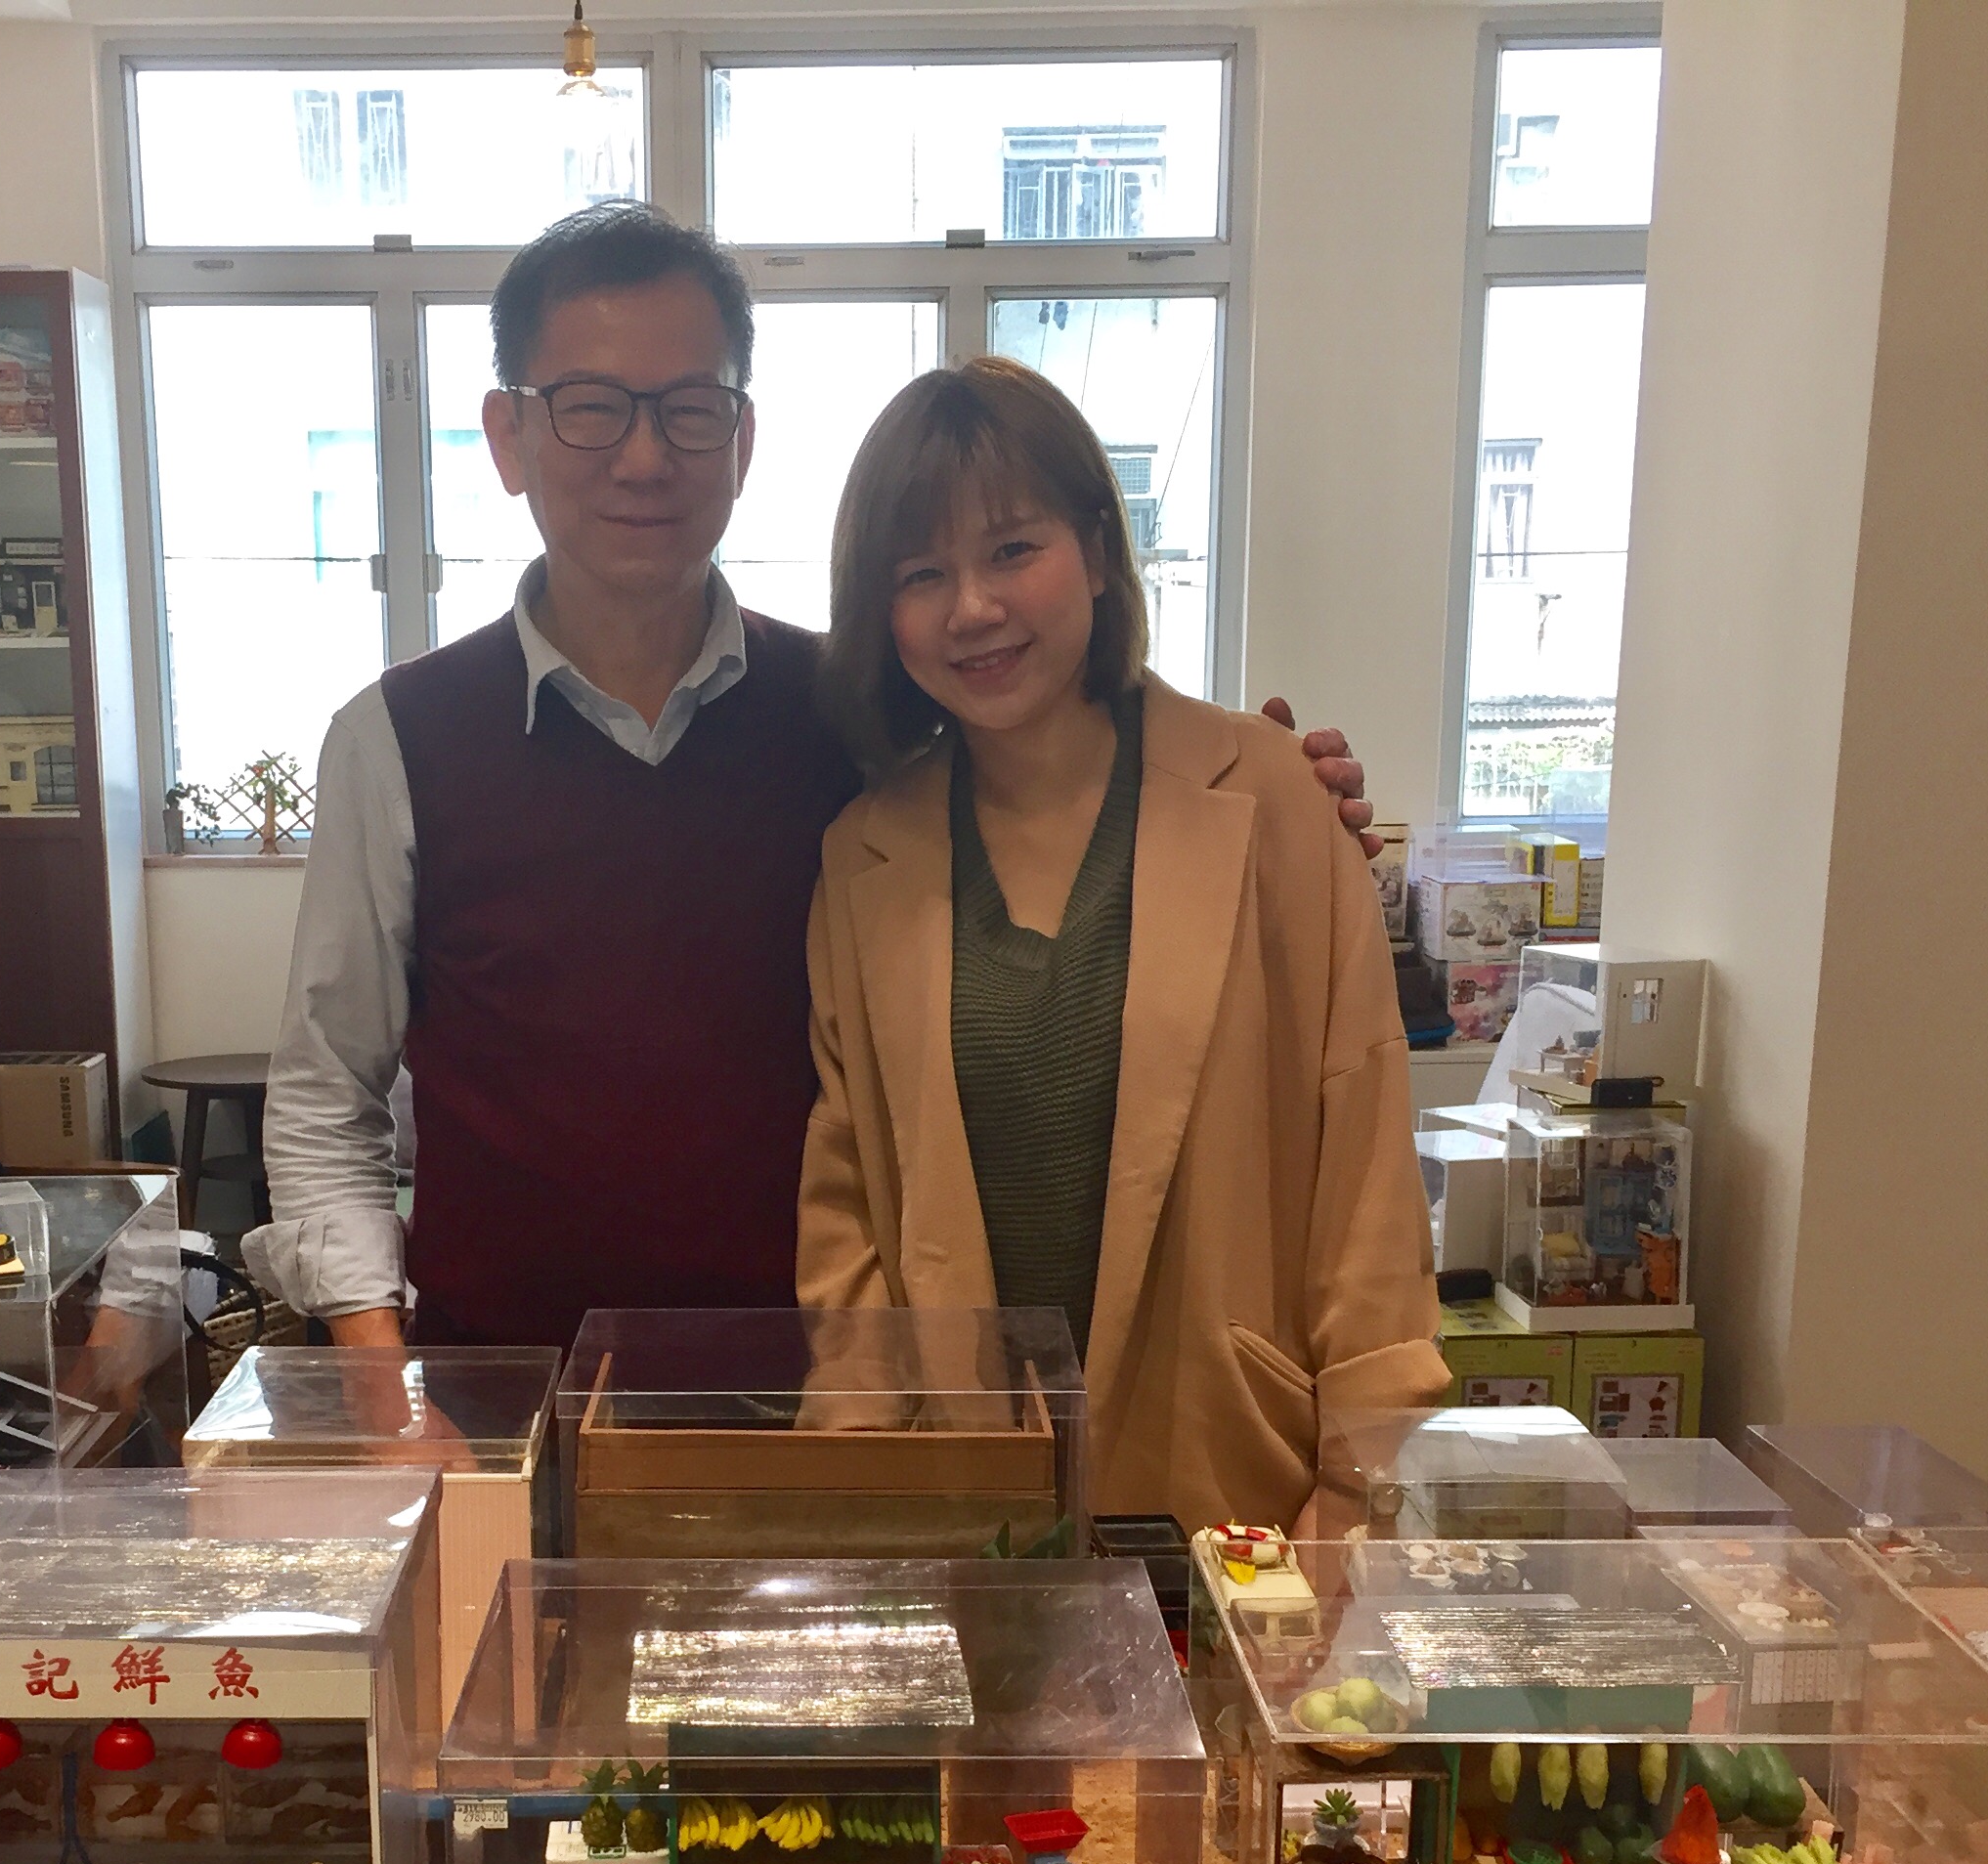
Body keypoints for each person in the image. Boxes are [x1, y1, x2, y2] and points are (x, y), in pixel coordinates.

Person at [246, 204, 1372, 1353]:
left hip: (825, 1392)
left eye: (690, 409)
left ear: (741, 440)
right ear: (508, 435)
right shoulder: (398, 739)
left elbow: (1057, 755)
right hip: (506, 1391)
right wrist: (383, 1389)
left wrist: (1263, 790)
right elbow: (327, 1098)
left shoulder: (857, 710)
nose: (645, 456)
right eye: (590, 407)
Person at [798, 357, 1445, 1535]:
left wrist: (1360, 1479)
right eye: (921, 574)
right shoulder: (865, 855)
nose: (972, 608)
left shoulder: (1274, 800)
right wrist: (857, 1460)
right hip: (967, 1505)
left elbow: (1364, 1177)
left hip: (1242, 1490)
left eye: (1012, 549)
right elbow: (847, 1202)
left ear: (1097, 550)